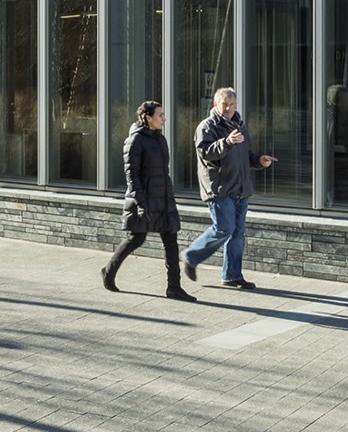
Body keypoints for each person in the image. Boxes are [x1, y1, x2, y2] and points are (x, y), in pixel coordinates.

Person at [183, 86, 277, 289]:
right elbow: (206, 152)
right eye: (224, 104)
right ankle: (191, 256)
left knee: (237, 234)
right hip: (219, 188)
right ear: (215, 104)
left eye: (232, 104)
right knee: (224, 228)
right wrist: (226, 142)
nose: (228, 108)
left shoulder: (240, 126)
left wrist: (259, 160)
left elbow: (246, 155)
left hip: (240, 189)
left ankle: (232, 276)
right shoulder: (206, 127)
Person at [102, 101, 195, 302]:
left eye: (163, 114)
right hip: (144, 199)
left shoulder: (160, 139)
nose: (164, 118)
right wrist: (141, 203)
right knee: (136, 238)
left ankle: (174, 287)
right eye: (160, 115)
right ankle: (108, 272)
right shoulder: (135, 141)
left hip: (164, 198)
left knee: (171, 240)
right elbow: (132, 175)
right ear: (148, 117)